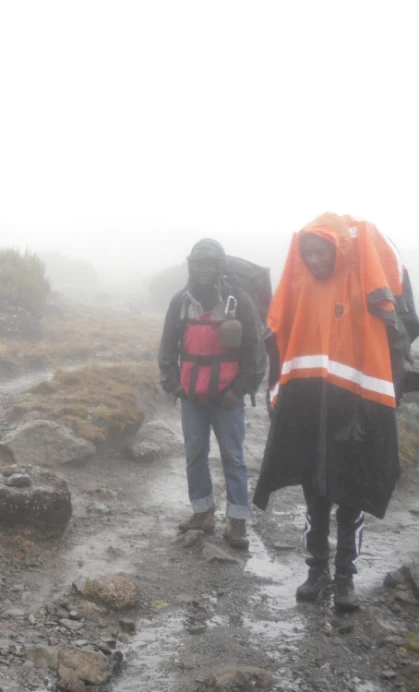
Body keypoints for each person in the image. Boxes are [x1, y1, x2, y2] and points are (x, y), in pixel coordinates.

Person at [253, 213, 419, 612]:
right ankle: (316, 571)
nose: (313, 259)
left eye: (321, 251)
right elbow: (279, 338)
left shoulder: (363, 284)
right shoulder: (300, 288)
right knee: (315, 496)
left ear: (337, 250)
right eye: (307, 252)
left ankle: (345, 577)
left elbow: (396, 334)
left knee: (350, 497)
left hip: (355, 410)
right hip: (310, 407)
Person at [159, 239, 267, 549]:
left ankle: (237, 521)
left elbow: (255, 353)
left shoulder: (239, 301)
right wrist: (175, 385)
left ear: (219, 267)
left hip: (227, 398)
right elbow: (167, 349)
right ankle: (203, 514)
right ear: (191, 266)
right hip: (191, 396)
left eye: (209, 264)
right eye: (199, 264)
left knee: (233, 457)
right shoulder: (180, 302)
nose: (204, 270)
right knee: (195, 455)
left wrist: (238, 391)